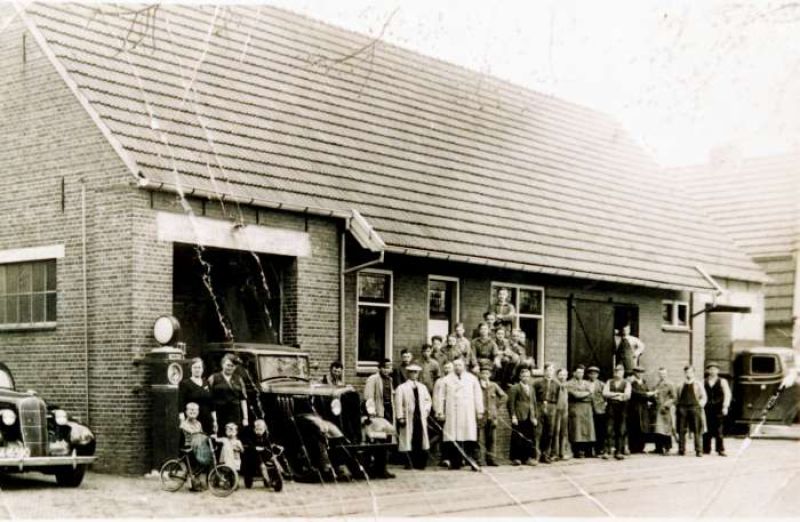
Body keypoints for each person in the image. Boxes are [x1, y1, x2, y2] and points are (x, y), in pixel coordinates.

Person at [433, 358, 484, 471]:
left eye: (460, 365)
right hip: (452, 412)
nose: (457, 367)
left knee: (469, 437)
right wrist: (440, 411)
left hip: (467, 412)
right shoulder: (446, 380)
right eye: (455, 365)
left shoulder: (472, 379)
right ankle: (455, 462)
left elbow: (478, 395)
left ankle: (472, 462)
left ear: (464, 366)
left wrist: (479, 410)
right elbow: (440, 397)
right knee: (454, 438)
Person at [363, 358, 396, 479]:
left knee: (386, 441)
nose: (387, 370)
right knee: (375, 441)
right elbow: (368, 398)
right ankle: (370, 469)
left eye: (389, 367)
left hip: (388, 412)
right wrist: (371, 413)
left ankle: (382, 469)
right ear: (380, 368)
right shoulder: (373, 379)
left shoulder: (390, 380)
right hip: (377, 413)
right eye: (385, 367)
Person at [395, 364, 432, 470]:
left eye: (416, 372)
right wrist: (400, 416)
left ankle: (420, 463)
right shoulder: (402, 388)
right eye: (411, 372)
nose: (414, 374)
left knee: (419, 438)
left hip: (420, 417)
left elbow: (428, 401)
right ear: (408, 373)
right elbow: (398, 403)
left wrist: (426, 410)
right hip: (408, 416)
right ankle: (409, 463)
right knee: (408, 438)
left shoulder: (422, 387)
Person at [209, 354, 249, 436]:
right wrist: (213, 419)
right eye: (228, 365)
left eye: (232, 366)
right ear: (222, 364)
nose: (230, 368)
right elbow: (209, 398)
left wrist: (245, 418)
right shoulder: (213, 378)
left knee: (234, 436)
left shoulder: (239, 379)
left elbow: (243, 399)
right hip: (219, 414)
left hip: (235, 415)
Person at [507, 365, 538, 466]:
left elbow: (534, 403)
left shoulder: (531, 388)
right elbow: (510, 404)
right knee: (517, 437)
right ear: (520, 377)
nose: (526, 378)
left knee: (529, 437)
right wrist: (513, 416)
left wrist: (534, 416)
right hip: (519, 416)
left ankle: (528, 458)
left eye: (528, 376)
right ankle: (516, 458)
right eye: (524, 376)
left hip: (529, 416)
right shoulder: (515, 388)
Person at [478, 362, 507, 466]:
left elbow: (504, 396)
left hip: (492, 415)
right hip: (481, 415)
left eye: (487, 373)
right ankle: (480, 459)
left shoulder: (493, 385)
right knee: (480, 439)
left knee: (492, 438)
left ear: (490, 375)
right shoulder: (477, 385)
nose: (485, 375)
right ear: (480, 374)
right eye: (483, 373)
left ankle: (491, 459)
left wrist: (496, 406)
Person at [180, 402, 213, 490]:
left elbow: (201, 434)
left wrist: (208, 437)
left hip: (198, 446)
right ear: (186, 412)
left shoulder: (198, 423)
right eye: (190, 410)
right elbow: (192, 433)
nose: (192, 412)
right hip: (189, 446)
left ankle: (205, 479)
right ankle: (193, 479)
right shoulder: (184, 424)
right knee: (197, 458)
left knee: (209, 455)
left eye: (195, 410)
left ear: (198, 412)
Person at [676, 365, 707, 457]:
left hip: (694, 408)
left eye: (690, 372)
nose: (688, 374)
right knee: (681, 429)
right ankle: (681, 449)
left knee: (697, 429)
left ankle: (698, 450)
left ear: (693, 373)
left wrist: (700, 405)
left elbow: (704, 397)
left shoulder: (698, 384)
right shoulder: (680, 385)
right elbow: (677, 397)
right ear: (684, 373)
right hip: (683, 408)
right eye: (686, 372)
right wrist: (678, 407)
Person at [178, 357, 214, 435]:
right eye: (195, 367)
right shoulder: (185, 384)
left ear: (202, 369)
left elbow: (212, 403)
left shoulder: (206, 383)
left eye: (199, 367)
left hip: (207, 419)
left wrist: (214, 419)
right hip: (192, 419)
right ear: (191, 369)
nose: (197, 370)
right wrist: (182, 419)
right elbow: (181, 403)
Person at [567, 365, 595, 458]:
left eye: (582, 372)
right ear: (574, 373)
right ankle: (578, 451)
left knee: (587, 429)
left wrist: (584, 394)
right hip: (576, 408)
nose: (581, 374)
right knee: (577, 430)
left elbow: (592, 396)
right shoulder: (569, 383)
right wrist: (587, 393)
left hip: (587, 408)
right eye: (579, 372)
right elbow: (576, 395)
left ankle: (588, 450)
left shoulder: (586, 383)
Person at [603, 364, 631, 460]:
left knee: (621, 429)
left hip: (622, 408)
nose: (617, 373)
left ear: (623, 372)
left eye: (619, 371)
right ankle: (607, 451)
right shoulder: (609, 381)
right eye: (616, 371)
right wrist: (618, 394)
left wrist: (613, 395)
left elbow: (627, 395)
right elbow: (605, 393)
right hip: (611, 408)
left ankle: (619, 451)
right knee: (608, 429)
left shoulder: (626, 383)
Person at [703, 363, 731, 456]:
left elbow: (727, 394)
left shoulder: (722, 381)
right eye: (710, 369)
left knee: (719, 429)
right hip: (707, 408)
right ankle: (706, 449)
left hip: (718, 408)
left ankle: (720, 449)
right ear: (708, 371)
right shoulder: (704, 381)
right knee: (706, 429)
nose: (712, 371)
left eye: (714, 369)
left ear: (718, 371)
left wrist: (725, 406)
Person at [534, 363, 560, 463]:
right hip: (539, 405)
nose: (549, 372)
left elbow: (557, 398)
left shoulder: (556, 384)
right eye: (548, 370)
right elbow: (533, 397)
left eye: (551, 370)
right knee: (538, 432)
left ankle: (546, 455)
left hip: (551, 407)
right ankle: (536, 455)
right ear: (544, 371)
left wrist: (553, 408)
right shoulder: (537, 383)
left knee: (549, 432)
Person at [431, 360, 454, 467]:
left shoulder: (455, 381)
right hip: (443, 412)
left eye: (449, 368)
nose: (447, 370)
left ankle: (456, 458)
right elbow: (436, 397)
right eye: (445, 368)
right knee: (443, 435)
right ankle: (445, 458)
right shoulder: (439, 381)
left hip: (453, 413)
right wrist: (438, 411)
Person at [627, 367, 655, 454]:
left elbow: (649, 394)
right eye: (638, 372)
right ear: (635, 373)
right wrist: (646, 394)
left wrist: (653, 397)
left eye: (641, 373)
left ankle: (641, 447)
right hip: (634, 408)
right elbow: (634, 393)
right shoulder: (631, 383)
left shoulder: (644, 383)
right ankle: (633, 448)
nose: (640, 374)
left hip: (643, 409)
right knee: (634, 427)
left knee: (643, 427)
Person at [652, 367, 676, 455]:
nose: (662, 375)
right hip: (657, 408)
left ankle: (667, 448)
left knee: (666, 429)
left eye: (664, 374)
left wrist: (667, 404)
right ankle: (658, 448)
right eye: (660, 374)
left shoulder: (670, 384)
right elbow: (654, 395)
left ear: (666, 374)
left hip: (665, 410)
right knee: (658, 428)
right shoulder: (657, 385)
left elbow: (674, 397)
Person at [586, 366, 607, 457]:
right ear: (588, 375)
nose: (593, 376)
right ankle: (589, 450)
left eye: (595, 374)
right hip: (588, 409)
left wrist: (604, 404)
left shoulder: (602, 384)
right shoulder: (585, 383)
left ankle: (599, 449)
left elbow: (606, 396)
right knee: (589, 430)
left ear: (598, 375)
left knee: (599, 430)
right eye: (591, 374)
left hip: (599, 409)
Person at [553, 368, 570, 461]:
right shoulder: (555, 385)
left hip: (565, 411)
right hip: (556, 411)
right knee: (556, 431)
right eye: (561, 375)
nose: (562, 377)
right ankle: (555, 453)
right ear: (557, 376)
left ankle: (562, 452)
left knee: (564, 432)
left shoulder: (566, 386)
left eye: (564, 375)